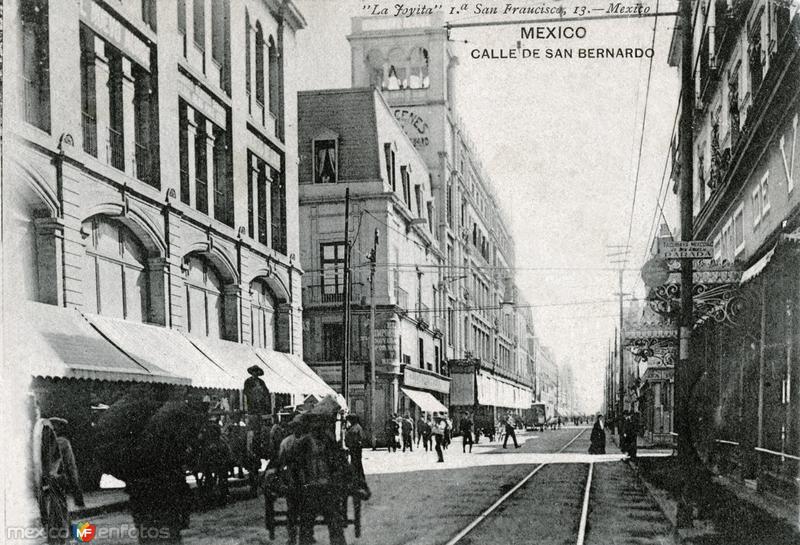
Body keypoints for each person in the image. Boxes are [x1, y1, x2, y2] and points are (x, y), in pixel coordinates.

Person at [345, 414, 365, 483]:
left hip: (356, 447)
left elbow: (361, 437)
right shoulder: (353, 427)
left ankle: (359, 477)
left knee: (357, 462)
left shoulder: (357, 427)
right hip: (353, 447)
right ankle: (357, 477)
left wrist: (357, 443)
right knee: (355, 462)